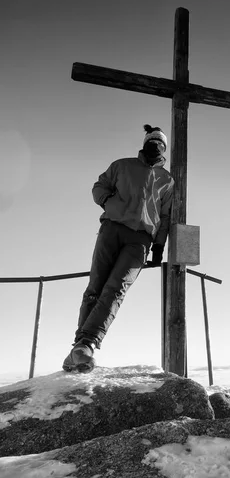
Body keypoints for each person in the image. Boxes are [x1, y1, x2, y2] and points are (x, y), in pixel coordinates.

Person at [63, 125, 174, 373]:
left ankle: (87, 343)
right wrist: (109, 203)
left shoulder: (167, 180)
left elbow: (165, 217)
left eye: (160, 143)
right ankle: (78, 349)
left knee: (116, 288)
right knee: (96, 287)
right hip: (111, 230)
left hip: (140, 240)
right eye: (152, 140)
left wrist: (158, 247)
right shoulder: (121, 165)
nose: (156, 145)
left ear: (165, 149)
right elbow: (99, 187)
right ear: (145, 143)